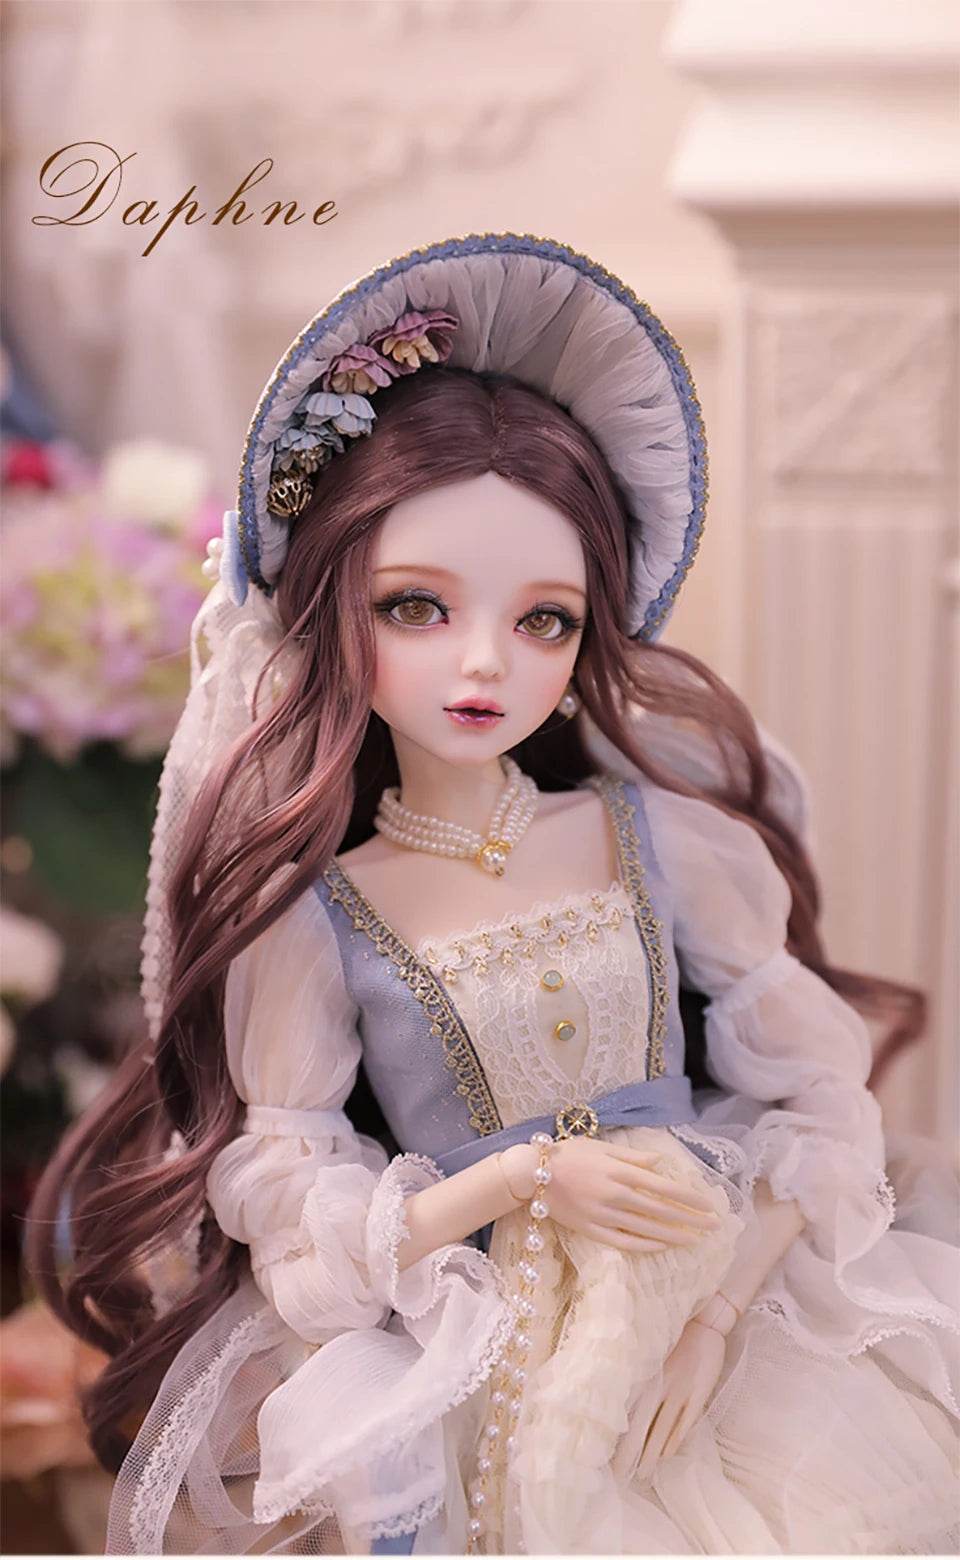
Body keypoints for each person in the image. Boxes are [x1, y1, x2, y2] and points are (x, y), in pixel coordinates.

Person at [25, 234, 959, 1554]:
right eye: (417, 607)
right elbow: (294, 1191)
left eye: (543, 621)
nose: (484, 665)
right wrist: (521, 1176)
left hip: (718, 1309)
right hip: (482, 1338)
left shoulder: (665, 842)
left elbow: (815, 1100)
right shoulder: (317, 916)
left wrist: (711, 1318)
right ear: (332, 612)